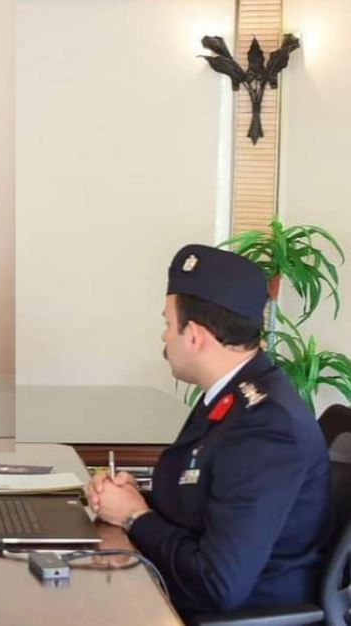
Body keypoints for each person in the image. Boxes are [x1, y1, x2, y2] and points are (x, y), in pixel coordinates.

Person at [88, 244, 331, 618]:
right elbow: (205, 499)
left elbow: (218, 584)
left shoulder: (267, 428)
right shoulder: (232, 396)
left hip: (228, 616)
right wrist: (131, 499)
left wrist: (135, 517)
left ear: (194, 336)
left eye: (168, 324)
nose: (164, 337)